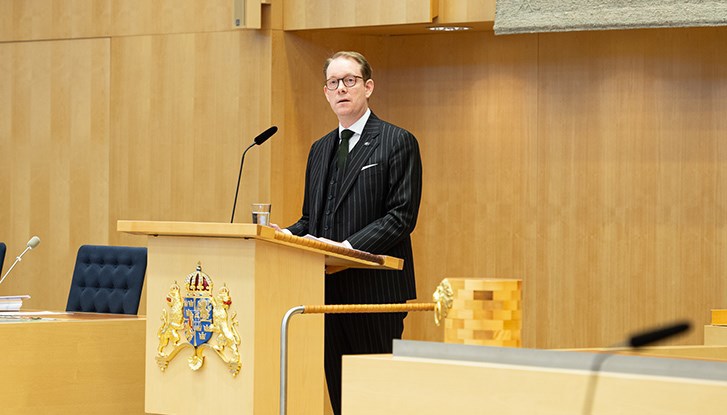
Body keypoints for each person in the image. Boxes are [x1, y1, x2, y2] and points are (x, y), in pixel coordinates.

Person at [279, 51, 422, 414]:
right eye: (333, 83)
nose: (341, 88)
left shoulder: (397, 141)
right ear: (325, 93)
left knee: (377, 400)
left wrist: (347, 249)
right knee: (341, 398)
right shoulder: (320, 148)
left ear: (368, 87)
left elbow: (401, 217)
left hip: (374, 293)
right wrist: (283, 235)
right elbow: (312, 219)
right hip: (325, 294)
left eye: (350, 80)